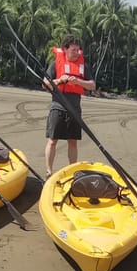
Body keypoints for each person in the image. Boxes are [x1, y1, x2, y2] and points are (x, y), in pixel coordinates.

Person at [42, 35, 96, 178]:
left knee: (73, 142)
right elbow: (45, 83)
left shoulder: (83, 67)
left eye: (78, 50)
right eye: (73, 50)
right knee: (52, 140)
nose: (76, 53)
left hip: (74, 108)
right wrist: (59, 80)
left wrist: (78, 81)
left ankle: (72, 170)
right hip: (58, 106)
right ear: (65, 49)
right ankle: (49, 171)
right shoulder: (55, 64)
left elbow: (92, 85)